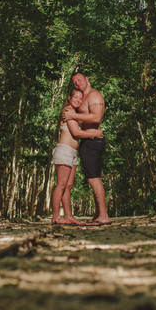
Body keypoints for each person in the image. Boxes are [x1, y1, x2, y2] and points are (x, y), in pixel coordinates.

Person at [62, 71, 110, 224]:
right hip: (87, 141)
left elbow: (96, 117)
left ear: (86, 79)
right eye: (75, 82)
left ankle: (104, 215)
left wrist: (74, 116)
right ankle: (98, 214)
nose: (77, 84)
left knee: (94, 178)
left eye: (79, 80)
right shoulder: (83, 98)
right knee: (92, 176)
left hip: (93, 141)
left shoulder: (94, 96)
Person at [51, 88, 103, 224]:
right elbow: (76, 133)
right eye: (75, 97)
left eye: (80, 98)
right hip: (64, 150)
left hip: (72, 152)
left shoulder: (74, 113)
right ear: (69, 97)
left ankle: (68, 216)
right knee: (61, 185)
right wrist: (95, 134)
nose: (78, 100)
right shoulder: (68, 111)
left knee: (68, 186)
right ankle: (55, 217)